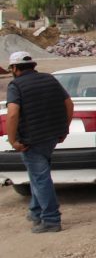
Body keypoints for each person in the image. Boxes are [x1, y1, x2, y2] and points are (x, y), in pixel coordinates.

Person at [5, 51, 74, 233]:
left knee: (40, 178)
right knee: (39, 175)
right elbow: (69, 104)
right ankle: (36, 212)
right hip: (51, 136)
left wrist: (12, 140)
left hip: (31, 140)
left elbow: (12, 114)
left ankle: (51, 219)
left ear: (14, 68)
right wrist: (64, 129)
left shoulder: (15, 85)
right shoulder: (49, 79)